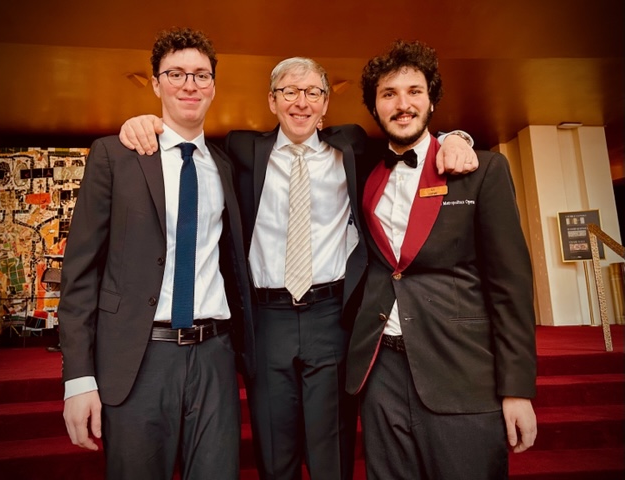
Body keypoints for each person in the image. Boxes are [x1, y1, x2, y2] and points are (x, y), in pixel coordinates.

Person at [119, 57, 477, 480]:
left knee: (332, 452)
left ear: (326, 104)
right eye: (289, 91)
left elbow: (407, 138)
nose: (301, 102)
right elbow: (185, 138)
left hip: (332, 317)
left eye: (313, 92)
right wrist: (141, 122)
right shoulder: (241, 149)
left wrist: (457, 136)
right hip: (266, 321)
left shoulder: (353, 147)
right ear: (272, 101)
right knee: (275, 450)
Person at [58, 27, 254, 480]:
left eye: (201, 75)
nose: (190, 85)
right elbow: (80, 274)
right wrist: (78, 377)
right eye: (177, 74)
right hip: (139, 357)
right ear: (155, 82)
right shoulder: (115, 155)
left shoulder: (225, 165)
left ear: (214, 85)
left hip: (214, 357)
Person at [345, 40, 538, 480]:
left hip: (461, 370)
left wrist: (517, 390)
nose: (402, 104)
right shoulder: (364, 171)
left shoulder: (481, 170)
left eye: (414, 91)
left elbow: (510, 286)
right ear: (374, 107)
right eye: (388, 94)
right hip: (381, 372)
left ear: (432, 100)